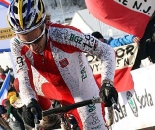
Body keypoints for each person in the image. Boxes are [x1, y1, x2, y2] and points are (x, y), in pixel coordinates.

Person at [7, 0, 118, 129]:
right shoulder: (16, 43)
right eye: (27, 42)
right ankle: (50, 118)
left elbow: (106, 51)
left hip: (82, 91)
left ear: (44, 24)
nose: (33, 48)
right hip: (51, 87)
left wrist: (108, 83)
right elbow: (23, 77)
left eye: (36, 39)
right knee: (18, 83)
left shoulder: (64, 35)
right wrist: (30, 102)